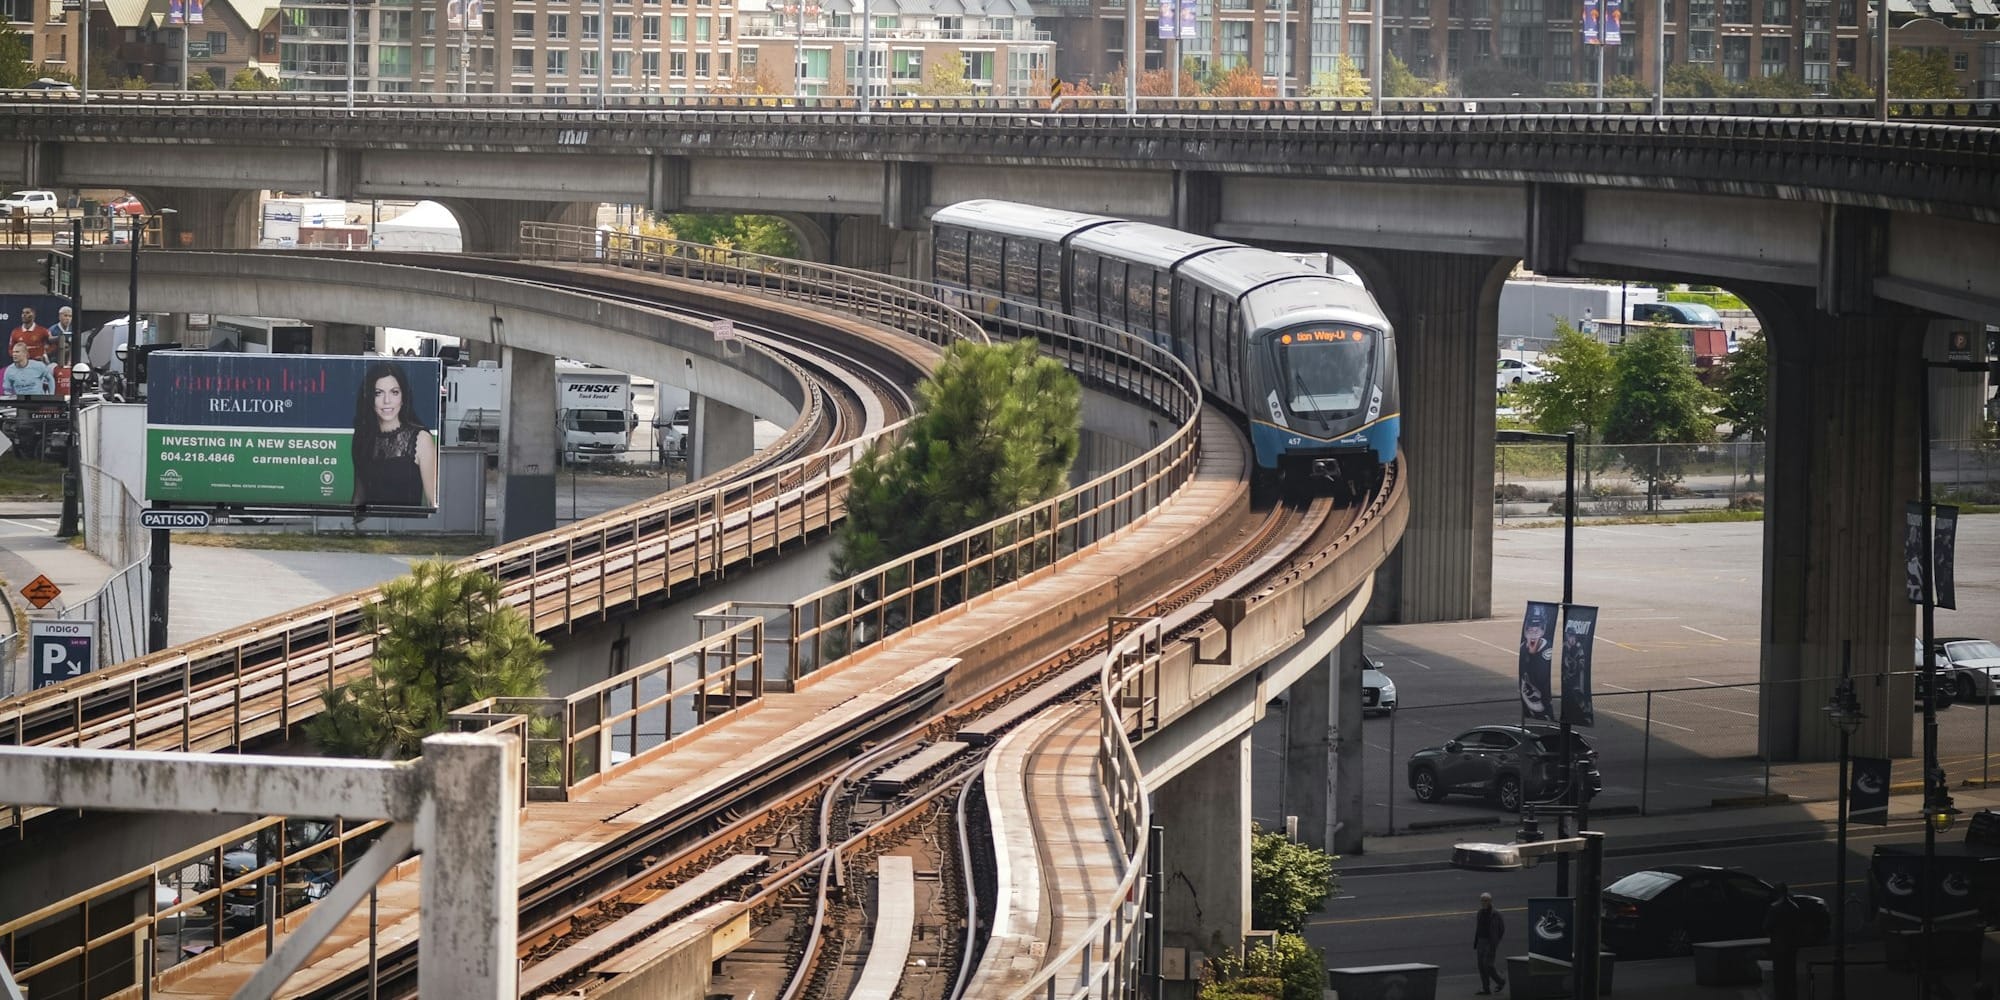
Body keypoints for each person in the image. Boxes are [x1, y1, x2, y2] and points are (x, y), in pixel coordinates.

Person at [350, 362, 438, 508]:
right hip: (369, 527)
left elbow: (432, 501)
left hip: (406, 526)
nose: (387, 401)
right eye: (378, 393)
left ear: (403, 397)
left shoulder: (421, 439)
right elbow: (358, 497)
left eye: (394, 392)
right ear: (370, 398)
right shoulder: (363, 437)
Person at [1764, 882, 1805, 1000]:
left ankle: (1781, 995)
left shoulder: (1774, 908)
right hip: (1791, 945)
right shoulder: (1794, 907)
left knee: (1779, 974)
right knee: (1790, 973)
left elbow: (1767, 926)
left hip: (1778, 945)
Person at [1474, 891, 1507, 995]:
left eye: (1486, 900)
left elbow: (1501, 929)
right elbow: (1478, 928)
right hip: (1480, 942)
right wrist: (1476, 941)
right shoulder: (1479, 912)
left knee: (1487, 965)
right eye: (1482, 900)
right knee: (1481, 966)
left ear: (1490, 901)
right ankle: (1486, 988)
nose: (1484, 902)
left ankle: (1500, 981)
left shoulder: (1496, 914)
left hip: (1490, 942)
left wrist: (1495, 941)